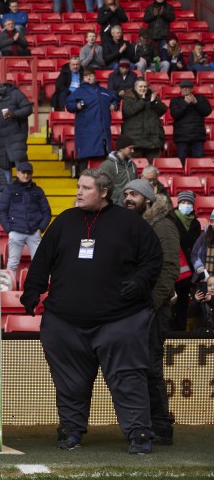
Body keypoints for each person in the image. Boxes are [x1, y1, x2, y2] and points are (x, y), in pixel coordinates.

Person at [20, 169, 161, 454]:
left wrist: (139, 282)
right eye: (78, 187)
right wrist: (32, 291)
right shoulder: (64, 222)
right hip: (65, 322)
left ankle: (139, 432)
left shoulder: (130, 223)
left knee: (128, 379)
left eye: (85, 188)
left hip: (121, 320)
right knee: (70, 384)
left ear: (104, 192)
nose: (79, 192)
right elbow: (42, 260)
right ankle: (71, 431)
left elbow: (153, 258)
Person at [121, 180, 179, 446]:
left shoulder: (163, 225)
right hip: (137, 308)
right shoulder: (134, 225)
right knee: (139, 367)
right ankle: (147, 422)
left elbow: (169, 271)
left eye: (134, 194)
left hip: (154, 309)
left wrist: (151, 307)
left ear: (147, 199)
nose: (128, 198)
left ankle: (161, 426)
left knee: (151, 367)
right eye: (125, 194)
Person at [0, 162, 52, 272]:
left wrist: (40, 229)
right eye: (23, 172)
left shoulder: (38, 191)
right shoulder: (9, 189)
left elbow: (47, 212)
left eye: (29, 173)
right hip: (16, 232)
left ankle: (38, 289)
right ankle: (10, 289)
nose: (26, 175)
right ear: (17, 173)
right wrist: (9, 231)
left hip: (34, 233)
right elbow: (2, 211)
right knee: (12, 265)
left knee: (40, 265)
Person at [68, 70, 119, 172]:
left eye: (91, 75)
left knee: (104, 161)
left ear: (95, 76)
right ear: (83, 78)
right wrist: (77, 106)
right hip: (86, 132)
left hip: (103, 132)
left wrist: (114, 105)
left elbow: (115, 98)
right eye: (86, 76)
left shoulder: (104, 91)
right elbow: (69, 105)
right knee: (85, 160)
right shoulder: (78, 92)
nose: (89, 78)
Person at [172, 191, 201, 331]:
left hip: (188, 270)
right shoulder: (171, 220)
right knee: (171, 304)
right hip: (173, 268)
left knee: (183, 304)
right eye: (183, 202)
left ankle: (180, 331)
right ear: (178, 204)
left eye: (189, 203)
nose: (186, 205)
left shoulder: (195, 223)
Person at [121, 80, 167, 162]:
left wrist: (154, 102)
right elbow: (128, 112)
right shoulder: (128, 98)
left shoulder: (153, 97)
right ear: (135, 88)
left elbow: (163, 110)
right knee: (134, 168)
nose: (143, 88)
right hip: (135, 141)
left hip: (153, 140)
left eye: (145, 86)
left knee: (152, 169)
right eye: (140, 86)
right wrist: (142, 100)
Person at [0, 81, 33, 186]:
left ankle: (23, 191)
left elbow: (28, 108)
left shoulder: (15, 94)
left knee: (21, 165)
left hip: (16, 136)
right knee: (4, 168)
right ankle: (8, 193)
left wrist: (13, 114)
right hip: (0, 140)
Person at [169, 80, 212, 164]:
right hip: (181, 137)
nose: (184, 89)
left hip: (198, 137)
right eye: (182, 88)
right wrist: (185, 103)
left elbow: (207, 112)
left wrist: (196, 103)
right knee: (181, 161)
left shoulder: (200, 98)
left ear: (192, 89)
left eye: (187, 88)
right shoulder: (175, 100)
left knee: (198, 162)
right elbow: (175, 114)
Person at [99, 134, 137, 205]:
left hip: (131, 204)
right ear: (121, 149)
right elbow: (100, 186)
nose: (133, 151)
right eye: (130, 148)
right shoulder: (106, 165)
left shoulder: (132, 165)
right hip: (114, 205)